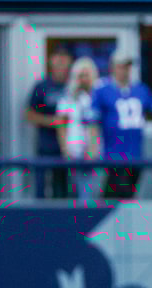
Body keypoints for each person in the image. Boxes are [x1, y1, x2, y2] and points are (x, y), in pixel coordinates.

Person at [90, 50, 152, 198]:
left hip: (135, 154)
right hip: (114, 154)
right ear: (113, 67)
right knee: (118, 194)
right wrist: (93, 146)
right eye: (122, 66)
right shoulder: (102, 90)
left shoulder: (140, 90)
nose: (125, 71)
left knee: (125, 195)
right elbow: (92, 120)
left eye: (127, 67)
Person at [26, 46, 73, 197]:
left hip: (68, 146)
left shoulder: (72, 86)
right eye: (57, 60)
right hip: (46, 145)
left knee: (63, 188)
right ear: (51, 62)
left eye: (64, 60)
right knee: (41, 187)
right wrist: (52, 122)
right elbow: (29, 114)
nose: (61, 64)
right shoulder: (42, 86)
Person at [55, 57, 102, 202]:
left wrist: (93, 149)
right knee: (77, 192)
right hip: (74, 150)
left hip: (96, 151)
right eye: (81, 75)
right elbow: (61, 125)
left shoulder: (99, 96)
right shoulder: (68, 97)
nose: (84, 79)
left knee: (95, 192)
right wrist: (65, 150)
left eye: (87, 75)